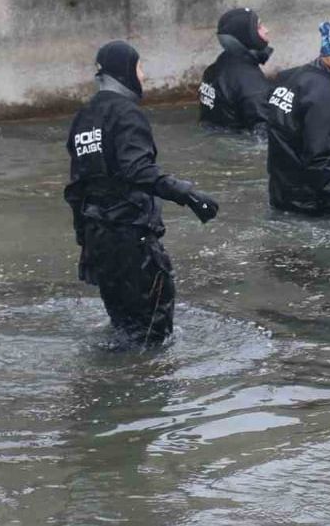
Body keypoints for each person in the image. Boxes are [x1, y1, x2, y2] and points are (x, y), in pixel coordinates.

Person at [64, 40, 220, 348]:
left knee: (123, 329)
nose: (144, 76)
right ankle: (146, 388)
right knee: (153, 335)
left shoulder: (83, 118)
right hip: (131, 238)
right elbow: (139, 170)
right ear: (125, 71)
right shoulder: (126, 114)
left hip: (99, 241)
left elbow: (76, 188)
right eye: (139, 67)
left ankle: (111, 384)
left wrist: (86, 242)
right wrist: (189, 194)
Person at [265, 17, 330, 223]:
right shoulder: (327, 96)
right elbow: (318, 160)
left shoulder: (291, 77)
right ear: (327, 51)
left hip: (280, 195)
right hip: (312, 206)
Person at [199, 7, 274, 135]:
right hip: (242, 144)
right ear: (247, 35)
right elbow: (265, 135)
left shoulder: (217, 67)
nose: (267, 30)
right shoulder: (251, 83)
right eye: (259, 27)